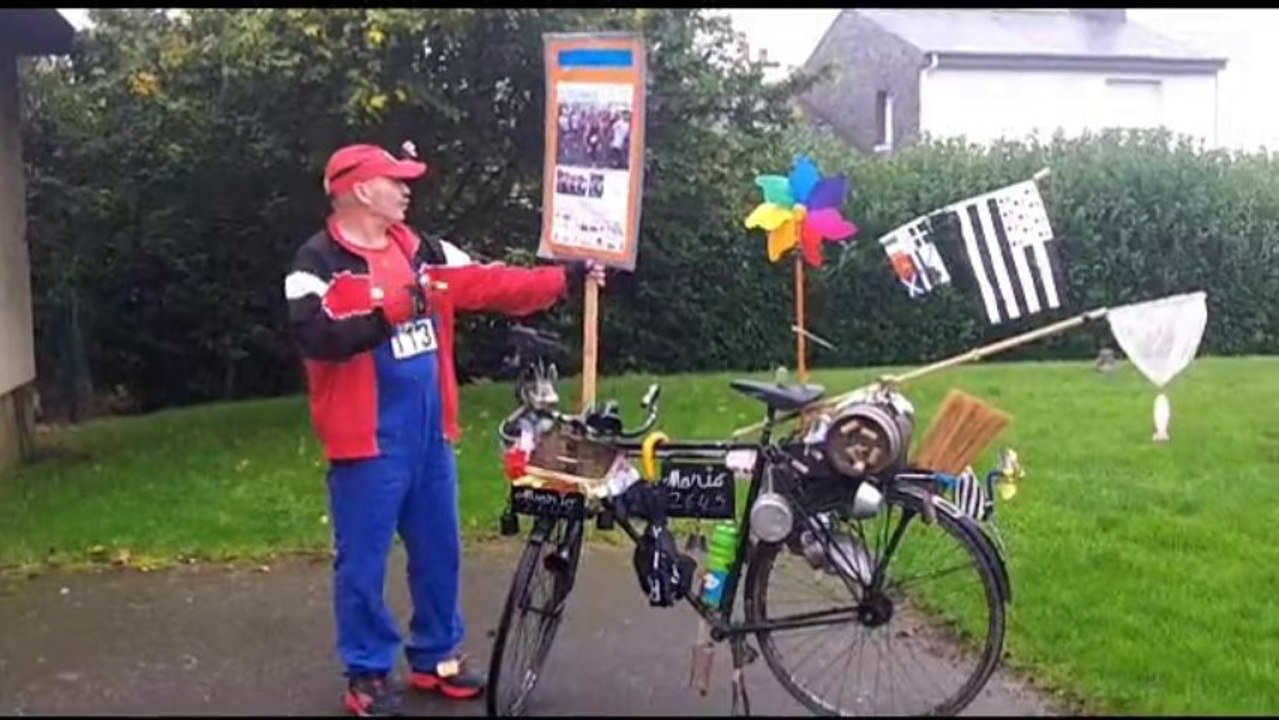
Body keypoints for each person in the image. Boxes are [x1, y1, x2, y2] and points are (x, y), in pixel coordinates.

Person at [284, 142, 606, 717]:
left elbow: (492, 282)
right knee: (362, 564)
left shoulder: (424, 251)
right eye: (396, 180)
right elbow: (313, 336)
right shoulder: (316, 262)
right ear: (362, 189)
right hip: (367, 442)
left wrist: (565, 279)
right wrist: (389, 313)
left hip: (431, 437)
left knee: (440, 552)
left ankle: (437, 657)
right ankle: (366, 672)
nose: (407, 189)